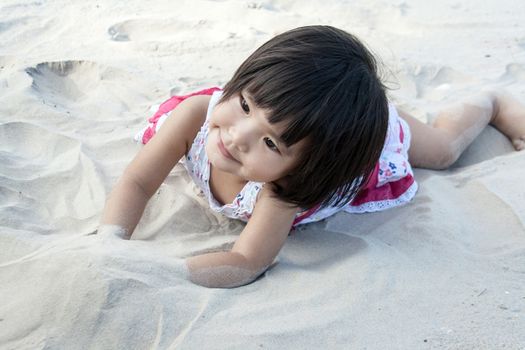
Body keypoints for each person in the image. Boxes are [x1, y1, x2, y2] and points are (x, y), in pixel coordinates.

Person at [98, 25, 525, 288]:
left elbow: (246, 260)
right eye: (245, 104)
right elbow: (137, 182)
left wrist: (166, 275)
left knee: (443, 152)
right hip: (313, 119)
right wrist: (110, 244)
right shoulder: (198, 115)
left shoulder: (283, 187)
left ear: (297, 166)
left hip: (357, 141)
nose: (238, 136)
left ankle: (491, 101)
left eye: (270, 144)